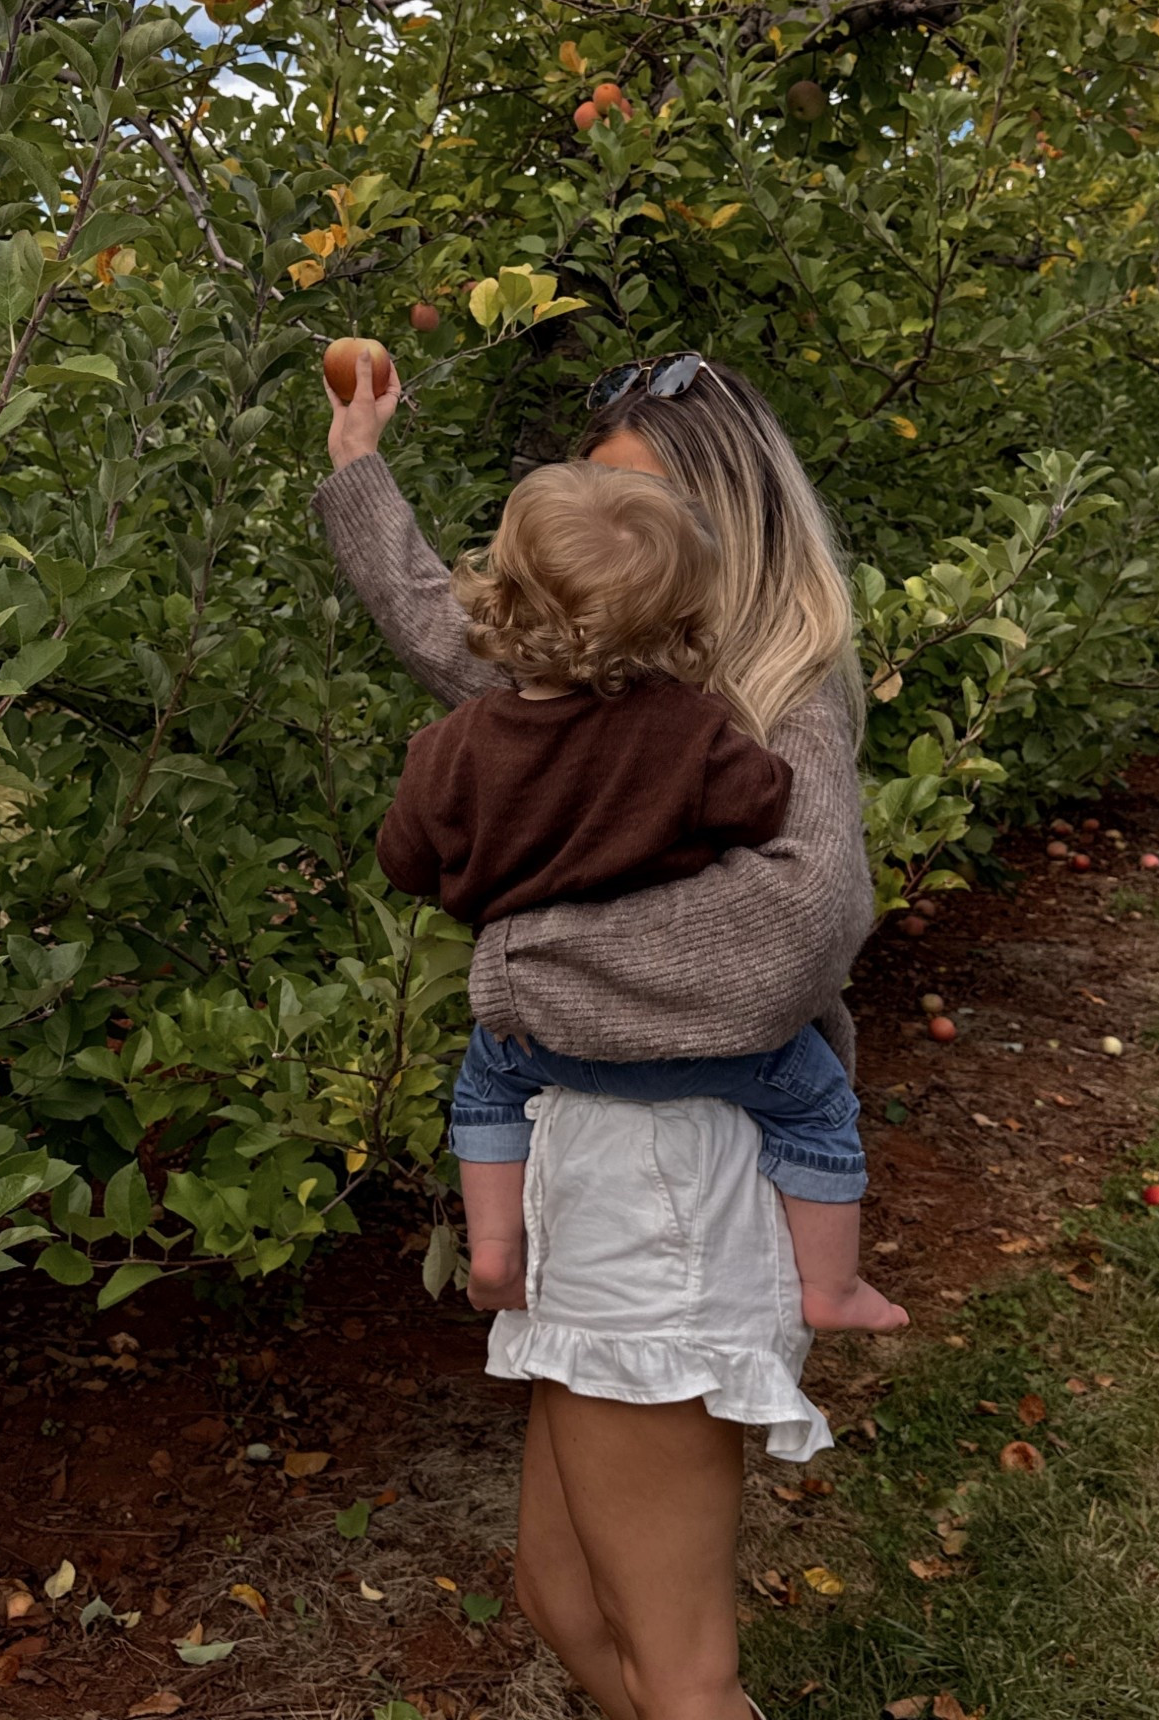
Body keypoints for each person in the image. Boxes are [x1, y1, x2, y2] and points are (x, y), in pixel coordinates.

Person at [316, 346, 875, 1720]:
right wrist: (357, 468)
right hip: (596, 1173)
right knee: (561, 1601)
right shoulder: (599, 674)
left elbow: (790, 937)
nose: (602, 562)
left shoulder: (771, 694)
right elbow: (450, 623)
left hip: (671, 1186)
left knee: (681, 1674)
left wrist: (513, 965)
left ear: (723, 534)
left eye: (644, 516)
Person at [376, 457, 908, 1331]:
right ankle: (833, 1285)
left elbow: (405, 859)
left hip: (538, 1042)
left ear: (499, 594)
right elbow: (764, 802)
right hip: (714, 1053)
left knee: (480, 1092)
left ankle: (497, 1255)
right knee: (818, 1097)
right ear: (682, 619)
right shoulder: (691, 733)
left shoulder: (451, 747)